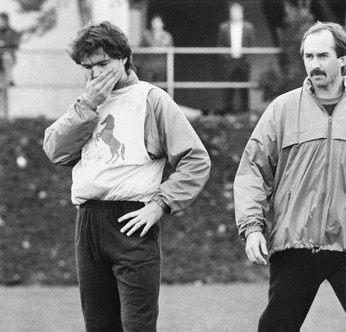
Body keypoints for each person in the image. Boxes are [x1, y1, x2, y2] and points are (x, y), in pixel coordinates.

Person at [234, 22, 346, 332]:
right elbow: (252, 172)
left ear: (342, 59)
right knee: (276, 327)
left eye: (323, 56)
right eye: (308, 56)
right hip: (294, 243)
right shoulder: (282, 110)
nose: (314, 64)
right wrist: (252, 228)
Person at [43, 21, 211, 332]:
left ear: (124, 58)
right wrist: (88, 104)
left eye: (103, 64)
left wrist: (161, 203)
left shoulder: (151, 99)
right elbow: (55, 150)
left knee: (138, 327)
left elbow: (196, 159)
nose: (96, 75)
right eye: (88, 67)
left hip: (133, 222)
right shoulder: (86, 103)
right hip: (88, 223)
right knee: (98, 326)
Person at [217, 2, 256, 113]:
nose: (236, 14)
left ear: (242, 13)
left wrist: (248, 60)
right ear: (230, 14)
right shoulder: (223, 27)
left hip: (243, 61)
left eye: (238, 12)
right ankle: (228, 111)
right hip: (230, 61)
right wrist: (225, 58)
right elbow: (220, 45)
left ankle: (245, 111)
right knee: (229, 88)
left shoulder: (249, 27)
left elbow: (252, 45)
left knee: (244, 88)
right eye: (233, 12)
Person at [139, 14, 173, 82]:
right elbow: (140, 49)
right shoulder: (146, 35)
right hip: (148, 65)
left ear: (162, 24)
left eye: (157, 22)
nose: (155, 24)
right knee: (147, 86)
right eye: (154, 22)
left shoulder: (167, 36)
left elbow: (170, 50)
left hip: (161, 65)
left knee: (159, 86)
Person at [0, 12, 20, 86]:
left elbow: (15, 45)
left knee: (6, 58)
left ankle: (9, 80)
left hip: (8, 57)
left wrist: (5, 46)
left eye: (3, 21)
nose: (1, 23)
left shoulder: (12, 33)